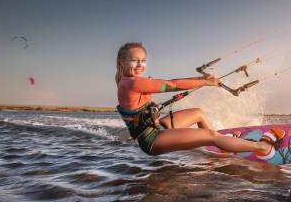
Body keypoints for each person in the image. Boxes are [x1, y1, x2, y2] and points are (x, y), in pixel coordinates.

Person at [115, 42, 282, 157]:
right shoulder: (132, 83)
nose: (140, 65)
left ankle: (217, 144)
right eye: (134, 61)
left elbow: (175, 81)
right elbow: (173, 85)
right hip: (151, 139)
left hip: (157, 127)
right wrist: (205, 82)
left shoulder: (130, 80)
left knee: (199, 114)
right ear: (123, 62)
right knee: (210, 134)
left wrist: (199, 78)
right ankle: (263, 147)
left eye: (143, 61)